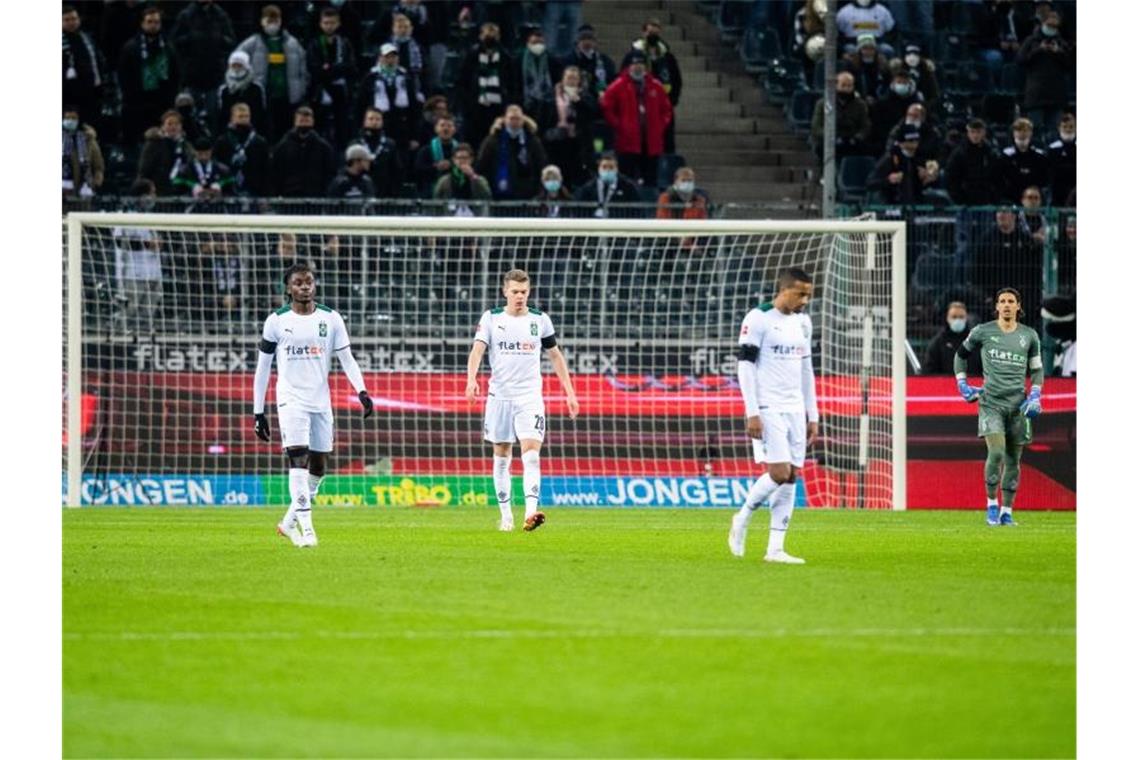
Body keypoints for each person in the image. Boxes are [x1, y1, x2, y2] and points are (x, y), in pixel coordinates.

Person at [253, 263, 374, 547]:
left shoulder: (331, 318)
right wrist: (258, 411)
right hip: (290, 400)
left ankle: (287, 523)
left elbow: (347, 358)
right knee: (298, 459)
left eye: (309, 282)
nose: (305, 286)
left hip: (321, 401)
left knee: (319, 467)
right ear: (288, 288)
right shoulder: (276, 321)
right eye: (298, 282)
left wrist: (363, 391)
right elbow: (262, 370)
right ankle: (307, 531)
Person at [465, 269, 579, 532]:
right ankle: (506, 516)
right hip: (499, 397)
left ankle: (530, 512)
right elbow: (477, 350)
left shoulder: (540, 320)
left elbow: (555, 356)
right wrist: (471, 379)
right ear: (505, 291)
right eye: (515, 291)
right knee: (502, 455)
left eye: (524, 292)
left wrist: (570, 392)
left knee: (531, 455)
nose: (519, 296)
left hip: (529, 397)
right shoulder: (492, 318)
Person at [728, 267, 820, 564]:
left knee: (792, 476)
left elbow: (807, 371)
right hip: (768, 407)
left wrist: (812, 414)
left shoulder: (803, 323)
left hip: (795, 408)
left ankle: (775, 549)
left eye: (809, 294)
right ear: (783, 290)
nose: (805, 300)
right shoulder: (758, 318)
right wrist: (752, 412)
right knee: (778, 472)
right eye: (800, 294)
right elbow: (745, 367)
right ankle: (742, 517)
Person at [953, 287, 1044, 526]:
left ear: (1018, 306)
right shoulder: (983, 332)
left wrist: (1035, 395)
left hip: (1018, 406)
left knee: (1014, 460)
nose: (1005, 305)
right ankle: (991, 505)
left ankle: (1007, 511)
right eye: (1002, 301)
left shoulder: (1029, 336)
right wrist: (962, 382)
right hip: (991, 403)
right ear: (996, 306)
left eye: (1010, 301)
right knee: (996, 452)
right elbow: (960, 355)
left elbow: (1036, 370)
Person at [236, 4, 308, 144]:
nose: (272, 25)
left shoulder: (293, 44)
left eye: (275, 22)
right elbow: (237, 63)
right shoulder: (252, 43)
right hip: (263, 98)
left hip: (287, 97)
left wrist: (301, 89)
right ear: (262, 21)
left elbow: (303, 70)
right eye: (269, 21)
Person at [601, 50, 673, 186]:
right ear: (628, 66)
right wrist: (619, 125)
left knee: (651, 180)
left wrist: (659, 126)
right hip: (627, 143)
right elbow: (607, 107)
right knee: (626, 180)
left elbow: (667, 110)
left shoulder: (656, 86)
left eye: (641, 64)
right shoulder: (618, 85)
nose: (638, 67)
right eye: (634, 64)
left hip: (651, 143)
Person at [117, 5, 179, 143]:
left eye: (156, 22)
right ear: (142, 23)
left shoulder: (168, 46)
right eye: (149, 22)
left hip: (162, 102)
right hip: (138, 104)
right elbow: (124, 76)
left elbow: (175, 73)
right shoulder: (131, 47)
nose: (153, 25)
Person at [356, 44, 424, 156]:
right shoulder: (370, 78)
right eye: (387, 57)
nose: (390, 60)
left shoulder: (405, 77)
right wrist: (360, 131)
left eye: (393, 57)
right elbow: (360, 106)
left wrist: (414, 136)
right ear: (380, 58)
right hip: (377, 126)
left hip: (402, 127)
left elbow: (414, 108)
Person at [306, 6, 357, 153]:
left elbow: (351, 67)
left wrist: (329, 69)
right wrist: (335, 69)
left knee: (342, 127)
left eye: (332, 22)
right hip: (320, 91)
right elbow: (314, 69)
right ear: (321, 24)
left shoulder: (345, 43)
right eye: (326, 23)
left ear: (338, 23)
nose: (329, 26)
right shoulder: (314, 43)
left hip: (341, 91)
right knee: (320, 126)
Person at [458, 22, 515, 148]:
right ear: (480, 36)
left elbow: (512, 83)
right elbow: (463, 80)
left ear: (499, 36)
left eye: (493, 33)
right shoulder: (471, 55)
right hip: (475, 106)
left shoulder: (506, 57)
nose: (490, 36)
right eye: (487, 33)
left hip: (498, 107)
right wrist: (467, 103)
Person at [629, 18, 683, 152]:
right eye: (650, 28)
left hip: (662, 104)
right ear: (644, 32)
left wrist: (672, 100)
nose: (653, 31)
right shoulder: (634, 55)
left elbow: (676, 79)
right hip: (640, 104)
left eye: (656, 28)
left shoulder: (667, 56)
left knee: (666, 141)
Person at [1016, 11, 1074, 134]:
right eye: (1049, 25)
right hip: (1036, 94)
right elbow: (1021, 60)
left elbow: (1069, 64)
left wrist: (1058, 52)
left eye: (1055, 26)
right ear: (1043, 23)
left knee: (1055, 132)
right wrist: (1038, 50)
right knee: (1036, 131)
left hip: (1057, 94)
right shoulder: (1031, 41)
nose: (1052, 29)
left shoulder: (1062, 43)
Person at [476, 104, 548, 201]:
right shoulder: (493, 140)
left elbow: (541, 164)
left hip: (527, 195)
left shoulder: (532, 140)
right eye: (511, 118)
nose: (514, 122)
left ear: (523, 120)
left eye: (518, 119)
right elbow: (482, 165)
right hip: (498, 194)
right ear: (505, 120)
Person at [542, 65, 597, 189]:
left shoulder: (585, 95)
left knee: (578, 174)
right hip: (557, 141)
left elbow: (593, 113)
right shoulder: (550, 95)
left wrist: (578, 101)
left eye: (574, 78)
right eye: (568, 78)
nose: (571, 81)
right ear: (563, 79)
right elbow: (543, 117)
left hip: (578, 141)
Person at [170, 0, 235, 101]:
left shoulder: (221, 15)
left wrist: (219, 40)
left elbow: (231, 41)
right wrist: (191, 38)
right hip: (191, 76)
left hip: (215, 75)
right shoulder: (186, 15)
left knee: (214, 111)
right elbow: (174, 42)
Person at [270, 106, 336, 198]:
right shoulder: (282, 147)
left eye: (307, 121)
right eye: (301, 121)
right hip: (289, 197)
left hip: (315, 197)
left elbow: (329, 173)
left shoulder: (323, 148)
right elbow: (275, 173)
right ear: (295, 122)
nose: (304, 124)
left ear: (313, 121)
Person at [866, 127, 940, 205]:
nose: (914, 144)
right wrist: (888, 180)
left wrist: (928, 179)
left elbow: (921, 185)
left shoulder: (919, 159)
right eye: (910, 141)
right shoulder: (889, 159)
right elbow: (870, 183)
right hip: (891, 205)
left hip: (914, 205)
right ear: (901, 143)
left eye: (916, 140)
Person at [810, 71, 871, 162]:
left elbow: (865, 126)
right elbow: (816, 126)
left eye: (849, 86)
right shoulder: (824, 103)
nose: (846, 89)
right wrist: (830, 137)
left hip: (851, 140)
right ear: (836, 86)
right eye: (843, 85)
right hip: (829, 140)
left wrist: (857, 137)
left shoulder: (860, 104)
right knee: (821, 148)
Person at [62, 5, 107, 128]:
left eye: (74, 18)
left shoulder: (86, 36)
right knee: (77, 129)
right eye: (67, 20)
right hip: (72, 96)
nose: (72, 22)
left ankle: (94, 147)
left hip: (93, 89)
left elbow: (97, 59)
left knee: (94, 125)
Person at [213, 102, 270, 197]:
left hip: (254, 192)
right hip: (228, 192)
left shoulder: (259, 142)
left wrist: (265, 195)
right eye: (240, 116)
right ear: (232, 118)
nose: (244, 119)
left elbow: (266, 170)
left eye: (246, 116)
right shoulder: (222, 141)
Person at [137, 110, 193, 197]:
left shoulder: (186, 146)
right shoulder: (154, 143)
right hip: (158, 191)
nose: (173, 127)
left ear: (181, 126)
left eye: (177, 124)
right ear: (163, 126)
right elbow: (144, 170)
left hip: (181, 192)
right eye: (169, 124)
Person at [945, 118, 1000, 205]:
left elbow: (996, 176)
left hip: (986, 201)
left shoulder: (990, 152)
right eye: (972, 132)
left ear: (983, 133)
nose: (975, 135)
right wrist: (959, 199)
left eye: (978, 132)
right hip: (965, 203)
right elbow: (950, 177)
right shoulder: (959, 153)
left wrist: (993, 197)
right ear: (968, 132)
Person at [352, 107, 404, 199]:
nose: (374, 122)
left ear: (382, 122)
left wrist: (394, 192)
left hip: (385, 193)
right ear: (364, 121)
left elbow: (397, 170)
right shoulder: (356, 144)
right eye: (371, 119)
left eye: (378, 119)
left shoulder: (390, 144)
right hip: (359, 192)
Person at [572, 151, 640, 218]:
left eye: (611, 167)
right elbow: (578, 209)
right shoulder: (588, 187)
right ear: (599, 168)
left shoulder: (628, 187)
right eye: (604, 167)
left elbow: (637, 210)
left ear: (617, 169)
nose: (607, 170)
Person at [216, 51, 268, 136]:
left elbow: (262, 114)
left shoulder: (257, 88)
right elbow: (221, 116)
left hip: (254, 132)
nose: (236, 69)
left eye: (239, 65)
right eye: (234, 65)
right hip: (229, 133)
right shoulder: (224, 90)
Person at [922, 301, 982, 375]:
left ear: (966, 318)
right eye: (954, 317)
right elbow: (929, 370)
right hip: (944, 385)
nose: (958, 320)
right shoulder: (938, 342)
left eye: (961, 317)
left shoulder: (975, 342)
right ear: (947, 318)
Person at [998, 118, 1049, 203]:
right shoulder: (1005, 156)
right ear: (1014, 133)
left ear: (1031, 133)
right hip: (1011, 199)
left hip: (1033, 200)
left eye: (1025, 130)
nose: (1022, 134)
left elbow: (1044, 179)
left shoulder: (1040, 156)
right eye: (1018, 130)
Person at [869, 70, 921, 154]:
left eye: (904, 83)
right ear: (893, 84)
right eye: (899, 82)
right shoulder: (881, 104)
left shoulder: (917, 104)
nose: (901, 85)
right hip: (885, 143)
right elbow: (877, 127)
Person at [432, 142, 492, 215]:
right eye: (459, 158)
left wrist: (473, 176)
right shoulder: (444, 180)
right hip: (450, 219)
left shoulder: (480, 179)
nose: (462, 161)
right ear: (453, 160)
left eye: (465, 158)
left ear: (471, 159)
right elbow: (436, 199)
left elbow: (487, 195)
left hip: (474, 219)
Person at [559, 24, 615, 100]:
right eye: (583, 39)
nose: (587, 42)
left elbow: (610, 82)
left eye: (590, 39)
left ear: (595, 41)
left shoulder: (605, 61)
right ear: (578, 41)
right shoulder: (568, 60)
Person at [516, 28, 557, 129]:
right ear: (528, 43)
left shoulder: (551, 60)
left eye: (540, 42)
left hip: (546, 104)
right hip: (525, 102)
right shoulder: (518, 59)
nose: (538, 45)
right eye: (534, 42)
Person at [62, 105, 104, 199]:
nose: (70, 121)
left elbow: (98, 166)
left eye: (73, 118)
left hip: (84, 192)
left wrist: (95, 183)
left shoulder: (89, 141)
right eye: (67, 118)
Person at [413, 111, 459, 196]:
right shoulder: (426, 150)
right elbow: (418, 171)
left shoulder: (460, 150)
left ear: (455, 129)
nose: (446, 129)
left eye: (449, 126)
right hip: (429, 194)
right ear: (436, 128)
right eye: (442, 125)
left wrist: (452, 165)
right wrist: (436, 167)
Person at [842, 33, 892, 107]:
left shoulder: (883, 64)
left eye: (871, 48)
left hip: (879, 99)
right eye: (865, 48)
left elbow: (887, 83)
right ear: (859, 50)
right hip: (857, 98)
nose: (868, 52)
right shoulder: (851, 65)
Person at [1047, 112, 1075, 207]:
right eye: (1065, 127)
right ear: (1059, 128)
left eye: (1071, 127)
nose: (1068, 129)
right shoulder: (1052, 148)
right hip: (1058, 193)